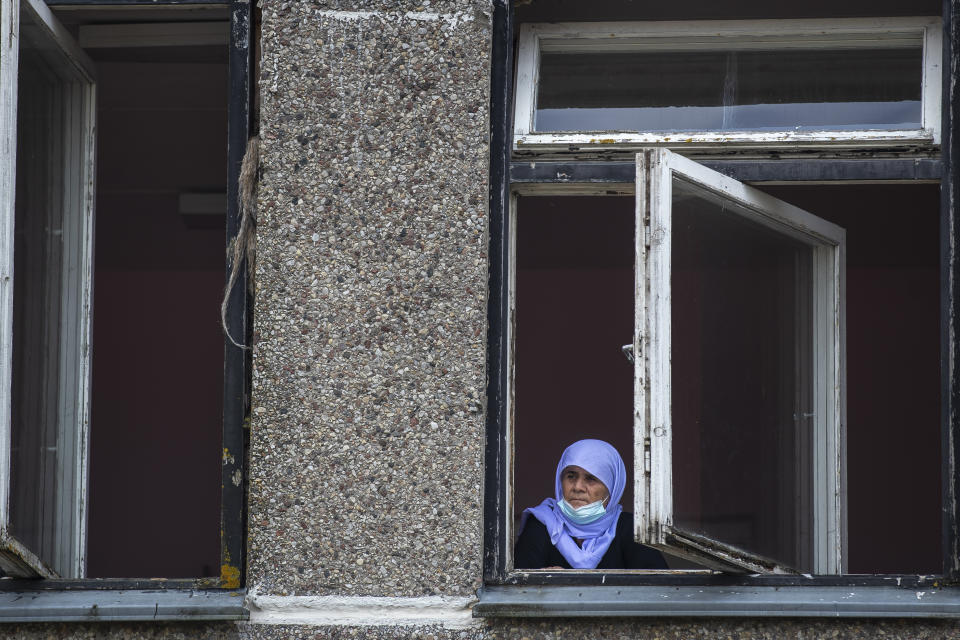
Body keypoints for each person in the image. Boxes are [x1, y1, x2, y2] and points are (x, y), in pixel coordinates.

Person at [514, 438, 668, 570]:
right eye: (571, 476)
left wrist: (566, 583)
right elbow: (517, 593)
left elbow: (659, 592)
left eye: (591, 478)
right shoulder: (541, 524)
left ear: (612, 488)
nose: (577, 487)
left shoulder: (632, 530)